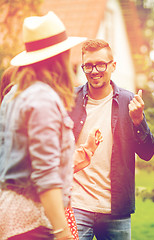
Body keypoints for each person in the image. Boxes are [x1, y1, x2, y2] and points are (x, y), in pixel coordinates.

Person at [0, 11, 86, 240]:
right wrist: (62, 231)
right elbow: (45, 174)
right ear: (60, 57)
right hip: (33, 219)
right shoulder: (43, 100)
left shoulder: (14, 95)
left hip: (12, 215)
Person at [68, 39, 154, 240]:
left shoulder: (128, 101)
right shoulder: (70, 100)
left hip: (116, 208)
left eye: (100, 64)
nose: (94, 71)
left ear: (113, 66)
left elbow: (148, 153)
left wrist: (138, 121)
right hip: (77, 203)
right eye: (88, 65)